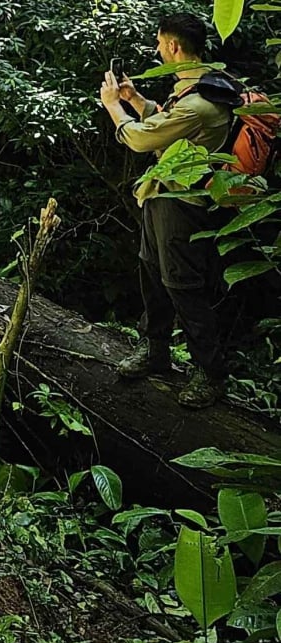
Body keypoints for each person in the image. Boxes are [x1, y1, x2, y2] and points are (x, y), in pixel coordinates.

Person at [101, 12, 233, 408]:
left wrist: (113, 107)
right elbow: (168, 120)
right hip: (161, 195)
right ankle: (155, 349)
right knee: (152, 273)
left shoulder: (203, 101)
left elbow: (143, 140)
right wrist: (136, 100)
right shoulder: (197, 87)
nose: (157, 50)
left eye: (160, 43)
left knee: (182, 285)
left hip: (184, 204)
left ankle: (210, 374)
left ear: (173, 46)